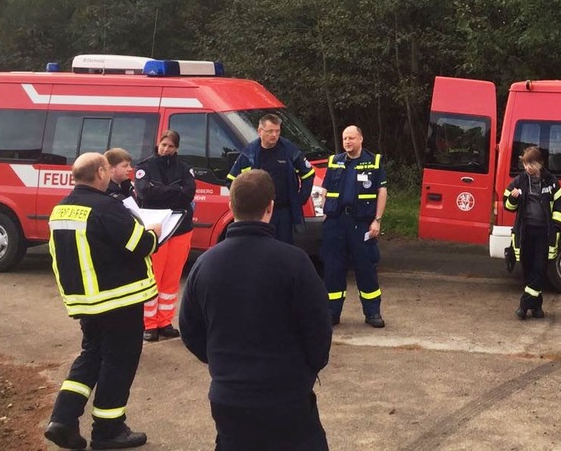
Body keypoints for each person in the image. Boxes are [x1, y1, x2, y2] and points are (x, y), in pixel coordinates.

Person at [179, 170, 332, 451]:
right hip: (288, 398)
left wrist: (223, 365)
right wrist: (304, 371)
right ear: (270, 207)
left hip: (229, 398)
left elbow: (190, 330)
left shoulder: (205, 264)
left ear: (231, 205)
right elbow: (319, 331)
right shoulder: (295, 263)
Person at [44, 152, 161, 451]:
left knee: (91, 357)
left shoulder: (60, 210)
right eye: (108, 169)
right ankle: (108, 430)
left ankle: (63, 419)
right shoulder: (107, 207)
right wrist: (155, 233)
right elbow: (140, 245)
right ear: (99, 173)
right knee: (119, 362)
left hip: (86, 302)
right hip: (118, 299)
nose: (110, 173)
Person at [319, 125, 388, 328]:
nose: (347, 142)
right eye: (344, 139)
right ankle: (332, 314)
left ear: (360, 139)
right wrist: (325, 212)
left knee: (366, 268)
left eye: (351, 138)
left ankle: (372, 313)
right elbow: (325, 189)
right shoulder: (335, 161)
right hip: (335, 223)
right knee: (333, 269)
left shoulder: (373, 162)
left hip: (361, 224)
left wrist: (377, 219)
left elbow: (381, 192)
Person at [133, 130, 195, 342]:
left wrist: (161, 190)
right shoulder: (144, 167)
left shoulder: (185, 167)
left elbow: (188, 193)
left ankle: (164, 322)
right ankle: (149, 325)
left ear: (176, 148)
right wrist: (174, 190)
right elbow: (144, 193)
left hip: (181, 229)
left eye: (170, 146)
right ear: (158, 144)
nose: (166, 149)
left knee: (171, 279)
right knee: (153, 277)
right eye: (163, 144)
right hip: (155, 229)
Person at [227, 113, 316, 243]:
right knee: (259, 247)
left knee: (284, 249)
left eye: (277, 131)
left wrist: (299, 199)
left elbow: (308, 174)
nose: (274, 135)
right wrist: (248, 203)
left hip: (283, 211)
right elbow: (231, 180)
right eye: (270, 131)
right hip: (259, 212)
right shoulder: (250, 152)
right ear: (260, 131)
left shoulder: (288, 149)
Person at [502, 145, 561, 319]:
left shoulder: (551, 181)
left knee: (540, 268)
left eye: (531, 164)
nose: (528, 168)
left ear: (541, 163)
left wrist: (556, 226)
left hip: (544, 233)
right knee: (529, 269)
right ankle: (537, 307)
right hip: (525, 232)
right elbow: (507, 207)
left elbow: (560, 206)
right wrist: (512, 198)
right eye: (525, 164)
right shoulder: (519, 181)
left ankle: (524, 306)